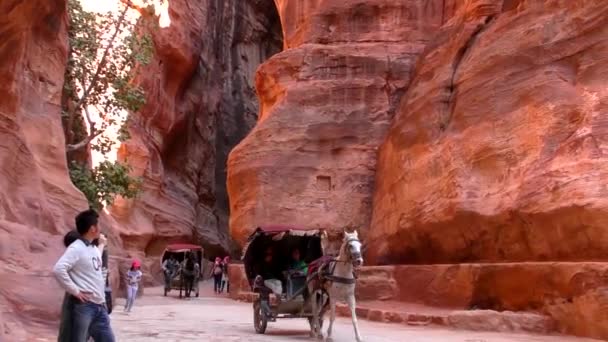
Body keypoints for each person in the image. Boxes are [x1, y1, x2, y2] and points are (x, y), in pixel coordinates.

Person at [53, 209, 115, 342]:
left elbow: (96, 257)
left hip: (99, 306)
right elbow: (59, 269)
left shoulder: (91, 248)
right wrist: (75, 291)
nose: (100, 228)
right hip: (85, 306)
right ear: (93, 228)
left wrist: (102, 244)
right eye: (98, 225)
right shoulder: (76, 248)